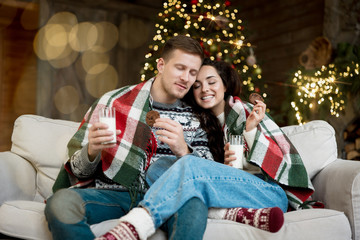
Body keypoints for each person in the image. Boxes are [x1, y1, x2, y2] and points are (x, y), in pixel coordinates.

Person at [96, 59, 315, 240]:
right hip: (232, 195)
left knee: (189, 164)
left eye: (211, 82)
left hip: (269, 195)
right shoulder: (202, 123)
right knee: (159, 168)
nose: (204, 89)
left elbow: (278, 163)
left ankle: (134, 226)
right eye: (197, 85)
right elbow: (217, 176)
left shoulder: (245, 111)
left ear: (225, 85)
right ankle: (226, 213)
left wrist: (249, 132)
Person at [44, 35, 215, 240]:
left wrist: (184, 151)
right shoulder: (113, 102)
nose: (186, 78)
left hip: (167, 196)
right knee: (61, 203)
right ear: (161, 65)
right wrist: (92, 151)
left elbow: (207, 176)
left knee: (195, 205)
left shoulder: (195, 118)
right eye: (180, 68)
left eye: (192, 72)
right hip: (116, 194)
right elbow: (78, 171)